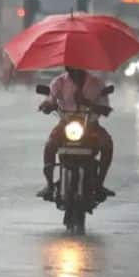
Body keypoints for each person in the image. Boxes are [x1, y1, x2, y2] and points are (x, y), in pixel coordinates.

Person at [36, 67, 115, 201]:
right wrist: (46, 105)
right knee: (50, 146)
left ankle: (100, 183)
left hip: (91, 126)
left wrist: (87, 103)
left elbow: (106, 109)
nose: (74, 68)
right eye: (70, 65)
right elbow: (50, 99)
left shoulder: (96, 83)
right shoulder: (58, 82)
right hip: (65, 125)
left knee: (107, 144)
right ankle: (49, 185)